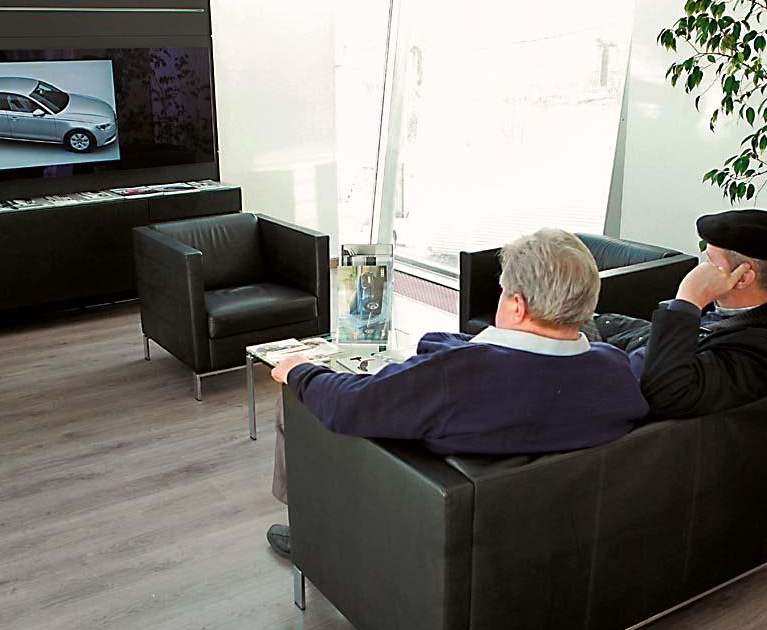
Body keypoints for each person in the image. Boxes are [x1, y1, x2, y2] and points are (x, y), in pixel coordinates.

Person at [264, 228, 650, 557]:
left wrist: (300, 371)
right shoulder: (616, 372)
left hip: (421, 504)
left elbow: (348, 405)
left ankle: (307, 532)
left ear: (517, 306)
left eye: (502, 292)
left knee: (297, 401)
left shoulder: (459, 377)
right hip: (551, 532)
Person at [596, 209, 767, 418]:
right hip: (633, 344)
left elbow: (667, 393)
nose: (701, 269)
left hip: (614, 385)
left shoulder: (761, 357)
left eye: (710, 261)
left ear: (742, 277)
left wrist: (688, 299)